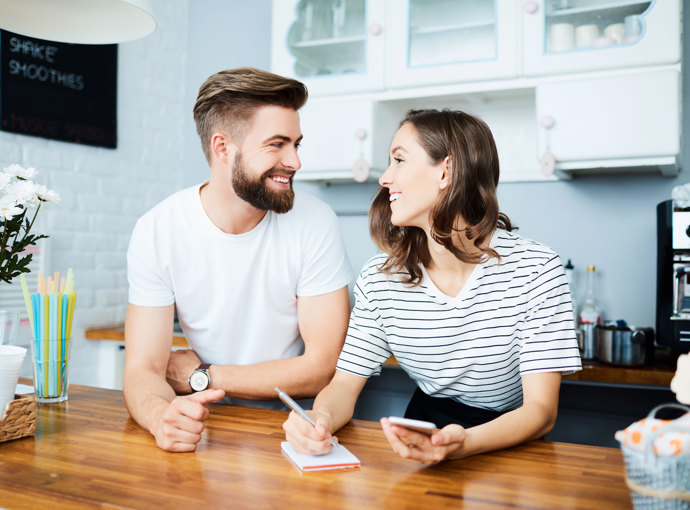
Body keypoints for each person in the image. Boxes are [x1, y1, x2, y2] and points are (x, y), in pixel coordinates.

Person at [282, 109, 582, 464]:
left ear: (446, 171)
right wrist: (320, 420)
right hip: (423, 433)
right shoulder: (380, 279)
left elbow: (541, 411)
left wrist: (463, 443)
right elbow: (344, 386)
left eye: (398, 160)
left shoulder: (536, 270)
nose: (385, 178)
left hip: (510, 440)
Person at [125, 68, 352, 452]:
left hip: (292, 428)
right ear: (222, 147)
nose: (295, 161)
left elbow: (321, 368)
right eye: (277, 144)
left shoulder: (315, 222)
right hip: (206, 428)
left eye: (297, 144)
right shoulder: (157, 230)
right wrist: (161, 418)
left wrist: (203, 377)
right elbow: (142, 370)